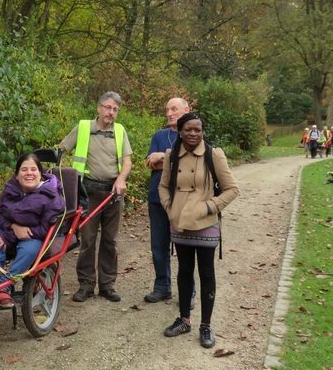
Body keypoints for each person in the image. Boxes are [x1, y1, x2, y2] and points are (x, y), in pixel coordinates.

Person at [158, 112, 239, 349]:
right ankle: (184, 320)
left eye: (198, 130)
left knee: (206, 273)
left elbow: (232, 189)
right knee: (184, 271)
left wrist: (208, 207)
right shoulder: (171, 156)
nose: (193, 134)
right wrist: (169, 206)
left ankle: (206, 325)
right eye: (188, 129)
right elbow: (163, 186)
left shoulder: (214, 154)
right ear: (180, 131)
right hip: (180, 222)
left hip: (205, 223)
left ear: (202, 131)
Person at [59, 91, 133, 303]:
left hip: (113, 194)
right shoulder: (83, 128)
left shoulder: (120, 131)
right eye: (108, 107)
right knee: (88, 240)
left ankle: (107, 285)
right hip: (87, 193)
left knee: (110, 240)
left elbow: (127, 162)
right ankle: (86, 285)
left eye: (115, 110)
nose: (111, 112)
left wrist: (121, 179)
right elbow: (61, 149)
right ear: (99, 108)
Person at [0, 153, 66, 308]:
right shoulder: (11, 188)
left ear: (40, 173)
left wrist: (12, 234)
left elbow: (45, 229)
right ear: (17, 175)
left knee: (29, 249)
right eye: (24, 169)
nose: (29, 173)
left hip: (36, 235)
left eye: (33, 169)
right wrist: (12, 228)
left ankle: (4, 286)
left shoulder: (50, 196)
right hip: (11, 231)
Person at [144, 97, 196, 305]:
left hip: (184, 201)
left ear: (186, 110)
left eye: (173, 109)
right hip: (157, 199)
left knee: (185, 246)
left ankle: (188, 291)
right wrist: (172, 160)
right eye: (167, 109)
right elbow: (150, 163)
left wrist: (163, 157)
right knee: (159, 245)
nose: (169, 113)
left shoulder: (194, 135)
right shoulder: (159, 135)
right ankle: (162, 286)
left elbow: (191, 163)